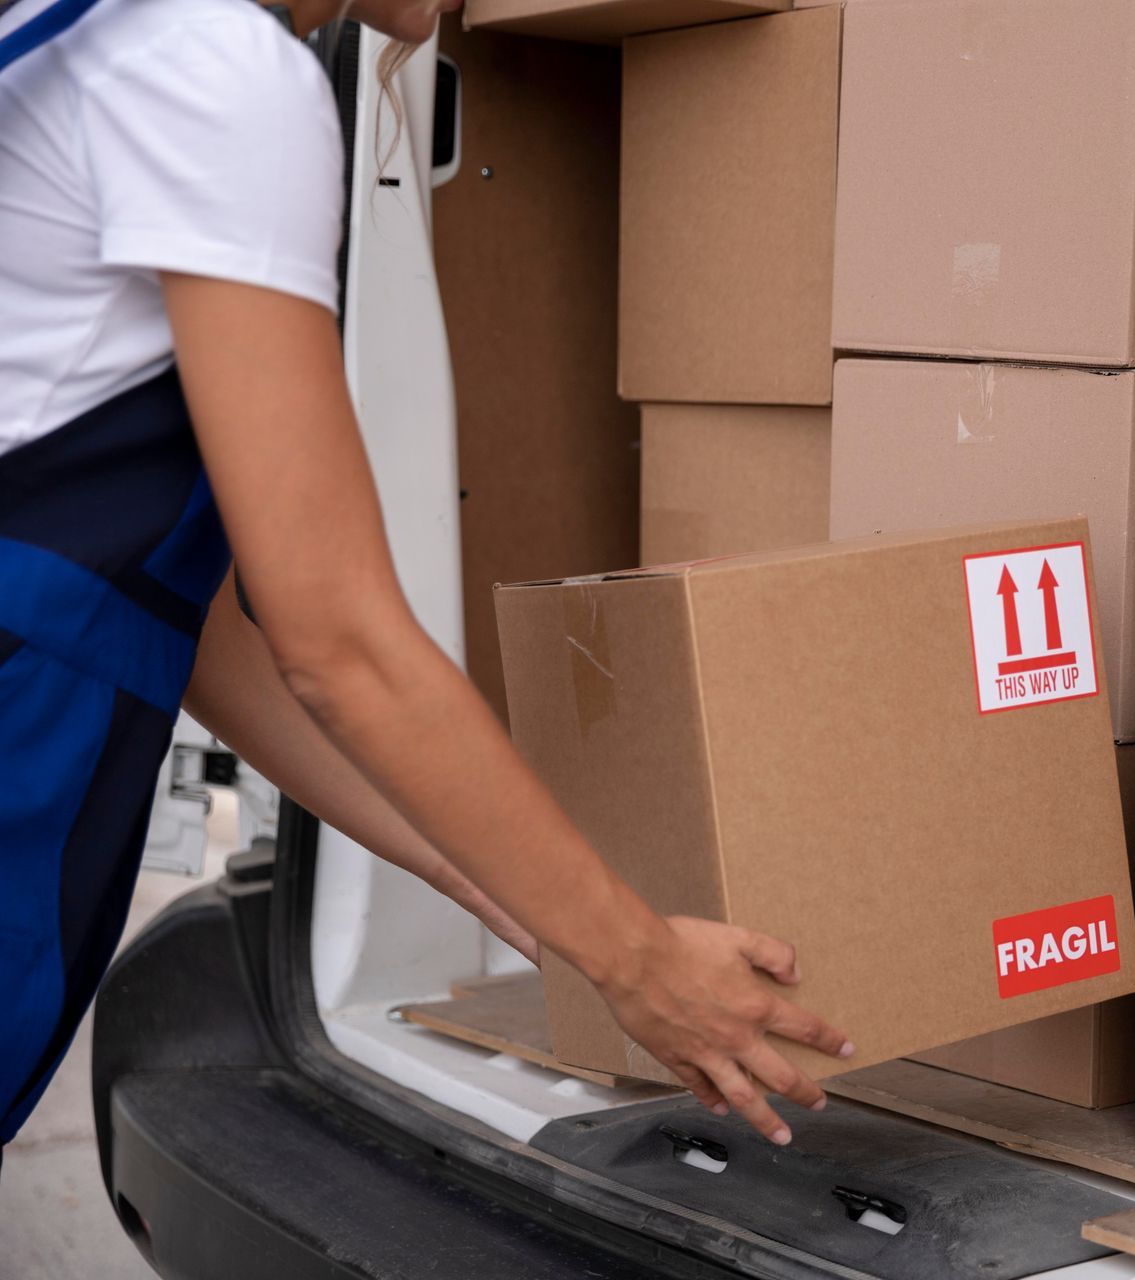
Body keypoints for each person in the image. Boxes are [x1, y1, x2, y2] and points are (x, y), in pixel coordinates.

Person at [0, 0, 849, 1156]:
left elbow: (168, 613)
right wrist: (638, 966)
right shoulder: (220, 74)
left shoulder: (95, 39)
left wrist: (501, 881)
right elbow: (335, 638)